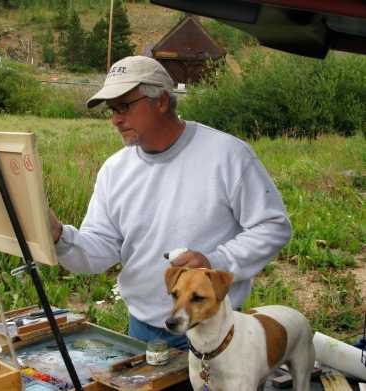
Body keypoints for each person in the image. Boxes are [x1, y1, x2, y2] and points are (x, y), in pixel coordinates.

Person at [49, 56, 291, 350]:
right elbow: (100, 250)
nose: (115, 119)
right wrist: (60, 237)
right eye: (112, 110)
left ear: (161, 101)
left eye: (124, 106)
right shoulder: (114, 170)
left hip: (213, 330)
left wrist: (214, 262)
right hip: (142, 331)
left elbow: (273, 226)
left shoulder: (228, 155)